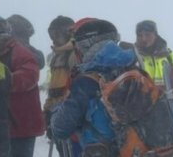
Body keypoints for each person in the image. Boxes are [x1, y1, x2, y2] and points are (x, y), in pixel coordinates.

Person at [50, 19, 137, 155]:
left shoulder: (87, 81)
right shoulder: (134, 70)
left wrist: (56, 111)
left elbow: (61, 128)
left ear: (85, 46)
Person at [0, 15, 44, 157]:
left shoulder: (19, 52)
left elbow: (29, 76)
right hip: (5, 123)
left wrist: (1, 81)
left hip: (22, 122)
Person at [135, 20, 173, 128]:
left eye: (147, 34)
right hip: (142, 111)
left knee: (168, 142)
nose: (143, 39)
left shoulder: (168, 56)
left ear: (155, 35)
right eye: (140, 35)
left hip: (166, 109)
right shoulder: (133, 55)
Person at [43, 16, 78, 157]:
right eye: (51, 35)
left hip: (67, 114)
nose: (53, 39)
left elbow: (74, 87)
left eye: (56, 34)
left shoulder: (74, 55)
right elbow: (54, 87)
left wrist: (63, 112)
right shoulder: (57, 55)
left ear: (68, 33)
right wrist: (47, 110)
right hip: (57, 112)